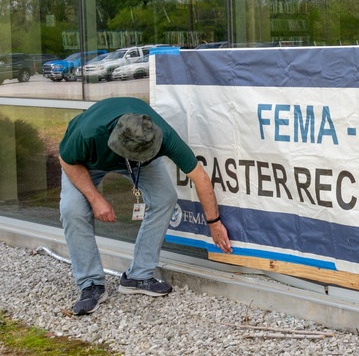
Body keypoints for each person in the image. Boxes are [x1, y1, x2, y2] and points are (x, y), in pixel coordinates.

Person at [58, 97, 233, 316]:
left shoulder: (161, 136)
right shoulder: (89, 133)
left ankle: (138, 276)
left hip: (141, 156)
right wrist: (96, 199)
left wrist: (214, 223)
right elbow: (66, 160)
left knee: (165, 198)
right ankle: (90, 284)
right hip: (86, 163)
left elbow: (200, 177)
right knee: (72, 210)